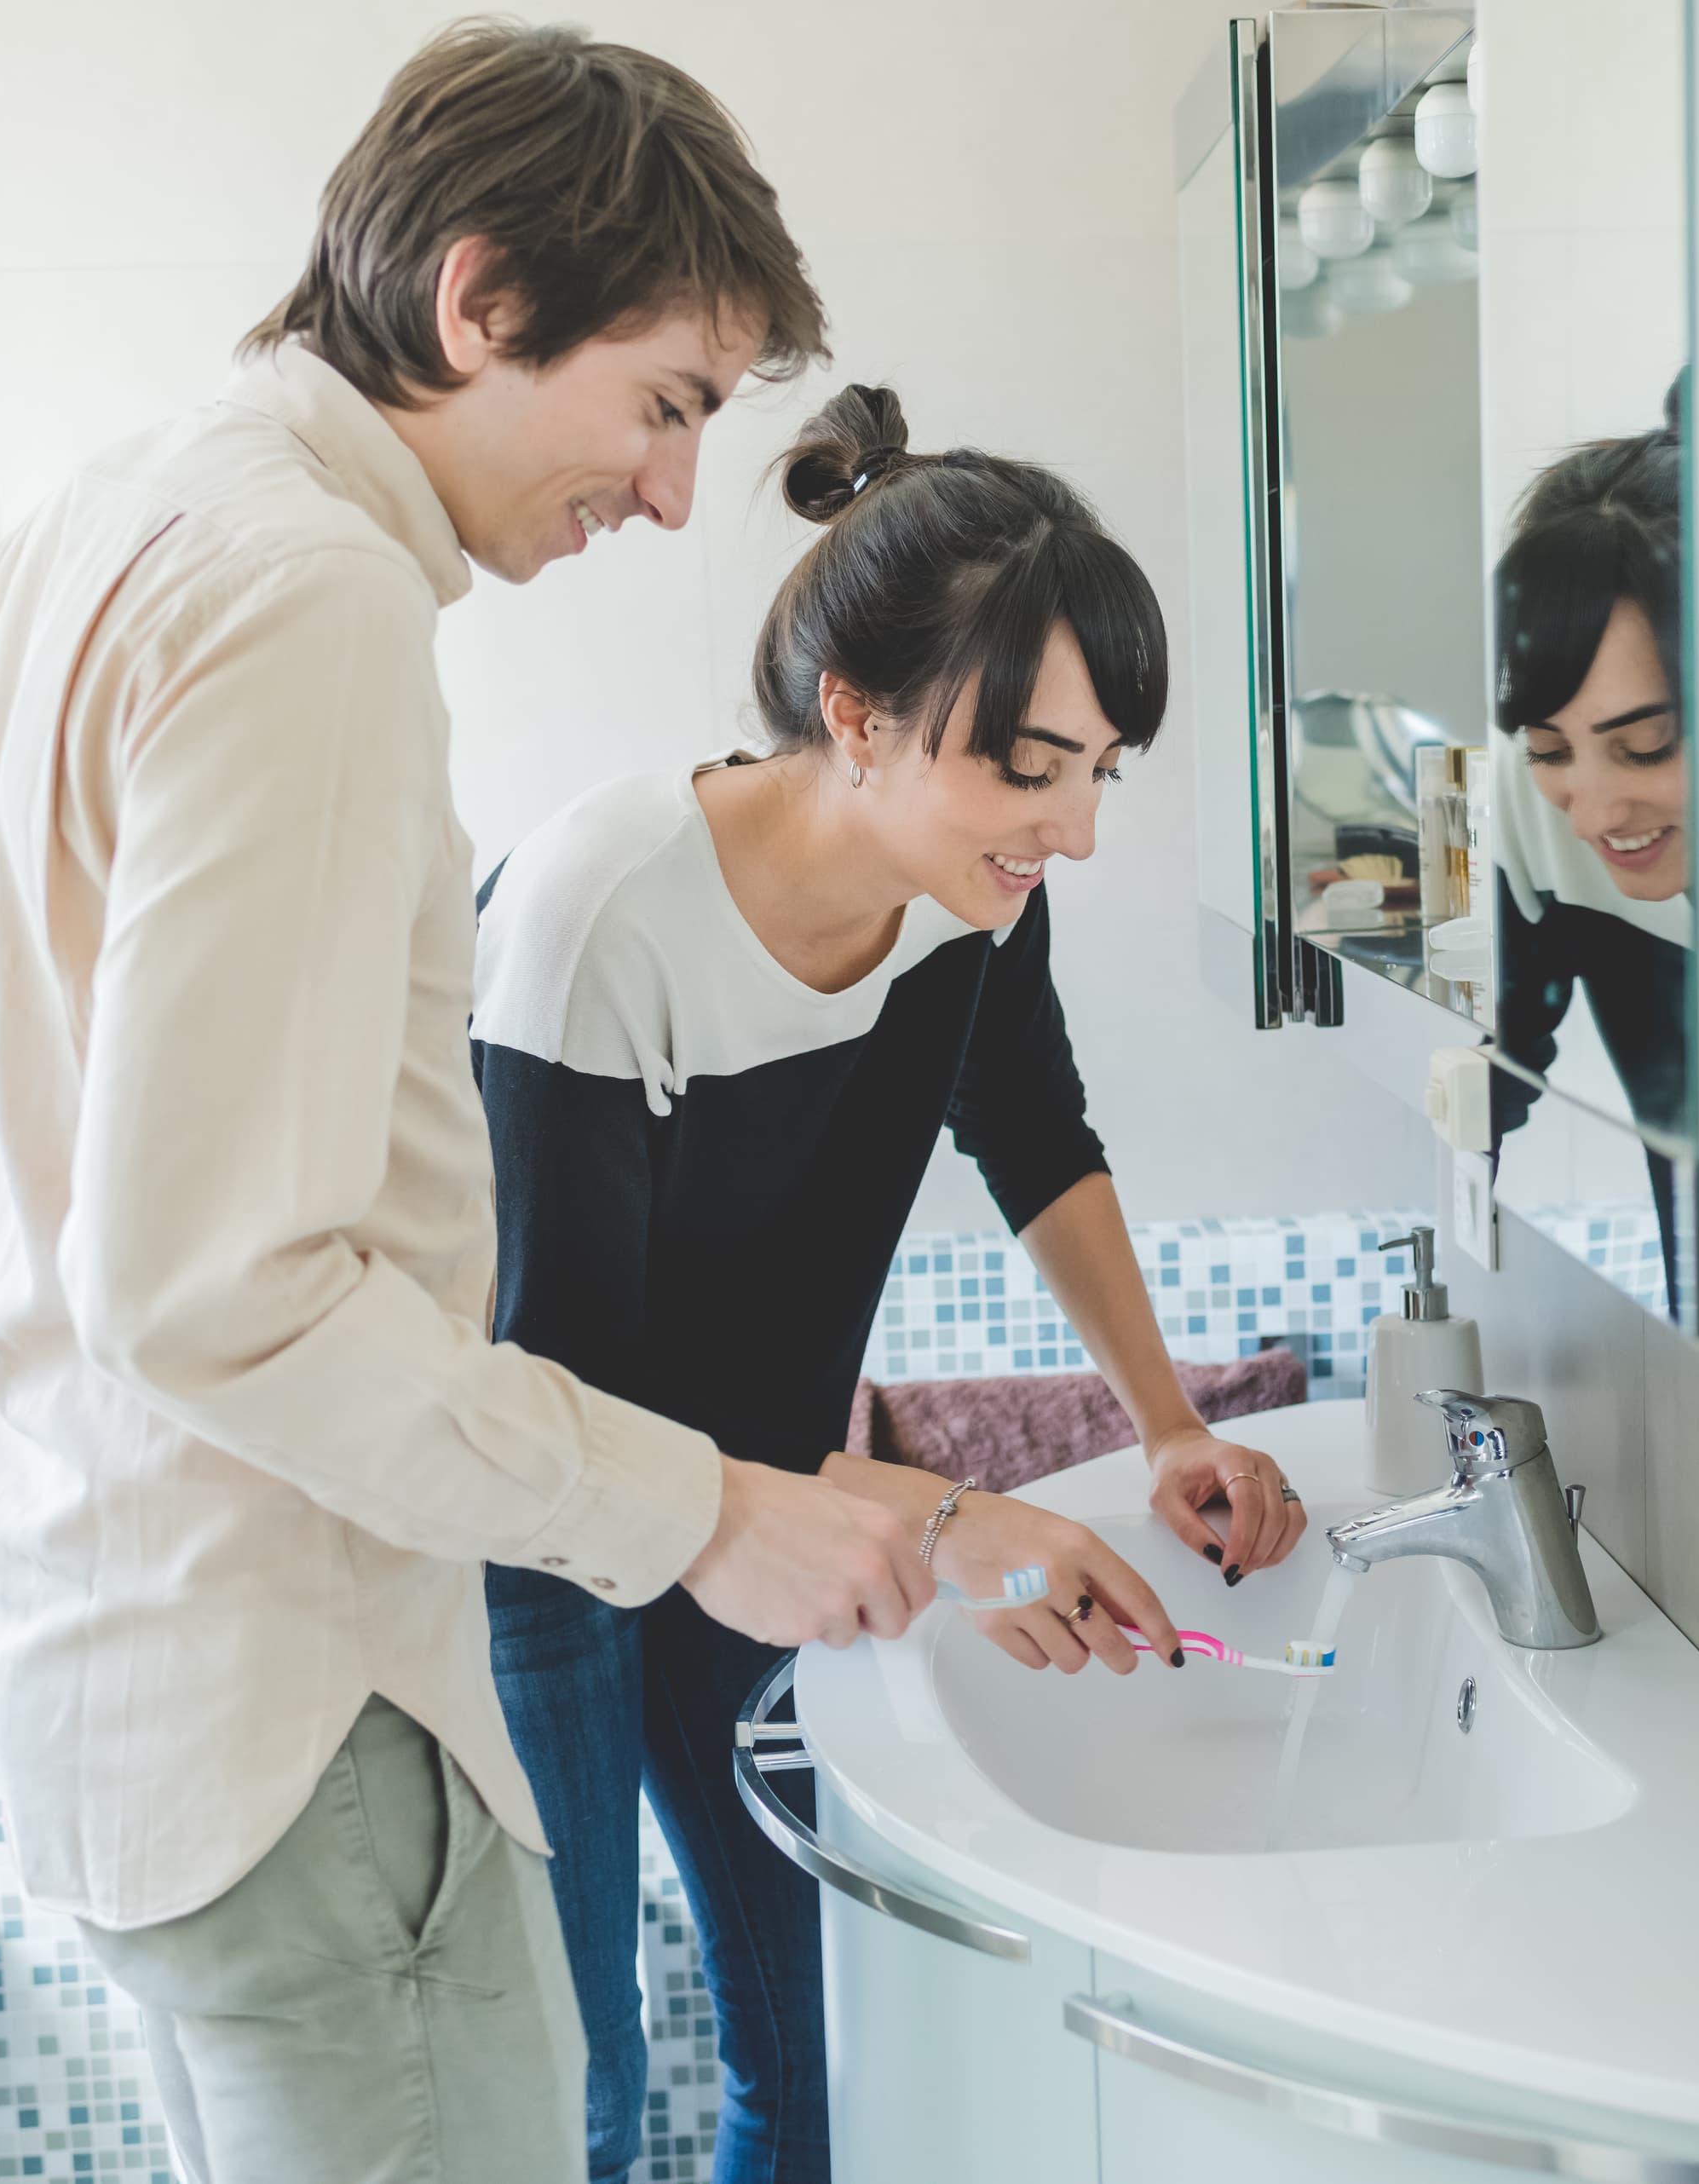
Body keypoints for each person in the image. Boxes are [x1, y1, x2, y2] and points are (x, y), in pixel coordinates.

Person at [0, 30, 940, 2184]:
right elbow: (224, 1295)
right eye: (666, 403)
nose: (674, 492)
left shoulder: (99, 518)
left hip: (129, 1712)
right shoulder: (306, 590)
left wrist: (73, 1380)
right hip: (316, 1731)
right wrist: (706, 1512)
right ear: (480, 301)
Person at [469, 384, 1313, 2184]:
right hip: (544, 1530)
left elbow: (1038, 1130)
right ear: (853, 715)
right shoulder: (602, 915)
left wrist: (1165, 1427)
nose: (1071, 833)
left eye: (1099, 773)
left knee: (812, 2046)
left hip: (767, 1490)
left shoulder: (977, 896)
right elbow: (573, 1393)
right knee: (581, 2085)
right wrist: (952, 1522)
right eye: (1031, 770)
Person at [1489, 419, 1695, 1305]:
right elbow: (1486, 1069)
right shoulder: (1528, 805)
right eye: (1550, 746)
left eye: (1647, 746)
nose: (1596, 814)